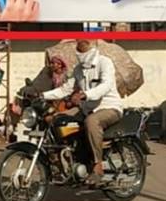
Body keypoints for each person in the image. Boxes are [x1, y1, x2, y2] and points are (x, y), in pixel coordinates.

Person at [42, 40, 123, 184]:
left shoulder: (105, 63)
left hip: (109, 107)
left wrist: (86, 95)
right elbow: (66, 89)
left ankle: (98, 166)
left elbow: (106, 85)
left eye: (85, 50)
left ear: (93, 50)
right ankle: (68, 159)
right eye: (80, 51)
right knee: (58, 119)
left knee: (91, 121)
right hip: (87, 109)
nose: (82, 53)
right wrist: (43, 95)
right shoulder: (78, 69)